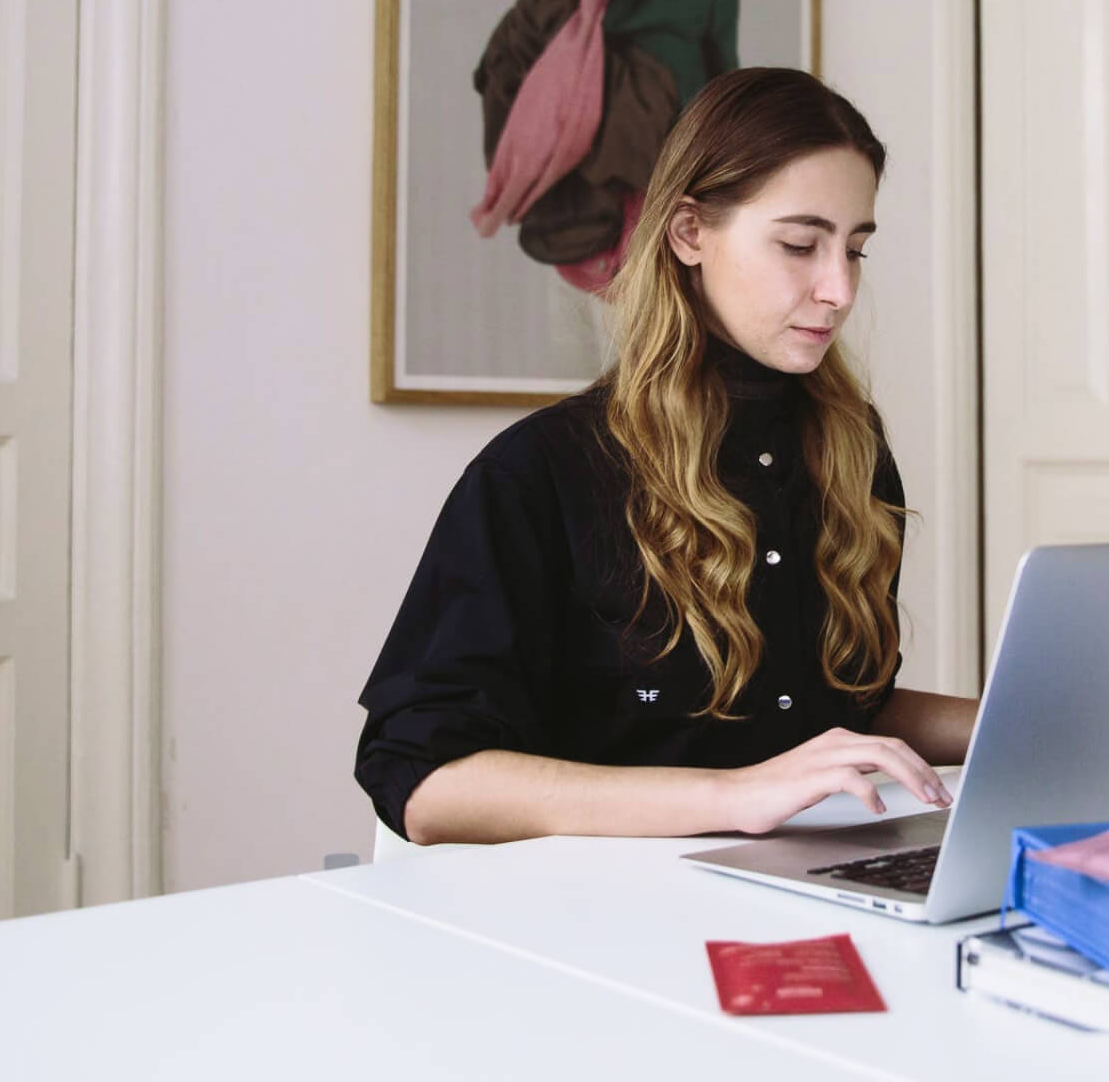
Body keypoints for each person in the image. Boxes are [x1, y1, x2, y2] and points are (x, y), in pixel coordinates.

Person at [357, 68, 979, 845]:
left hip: (812, 880)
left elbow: (838, 705)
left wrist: (1019, 723)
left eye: (855, 250)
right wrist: (734, 797)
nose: (839, 289)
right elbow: (423, 782)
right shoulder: (538, 473)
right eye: (799, 244)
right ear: (689, 233)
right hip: (604, 915)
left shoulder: (850, 449)